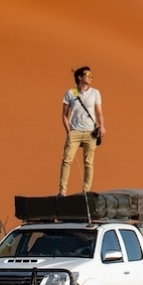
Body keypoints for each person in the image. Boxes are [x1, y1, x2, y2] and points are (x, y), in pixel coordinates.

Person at [59, 66, 105, 195]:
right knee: (67, 160)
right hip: (75, 131)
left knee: (89, 162)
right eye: (88, 75)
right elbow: (64, 115)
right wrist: (69, 132)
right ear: (80, 77)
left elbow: (99, 112)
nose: (90, 77)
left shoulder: (95, 93)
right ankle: (62, 190)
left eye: (92, 76)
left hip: (90, 132)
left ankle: (86, 191)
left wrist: (102, 126)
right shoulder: (70, 93)